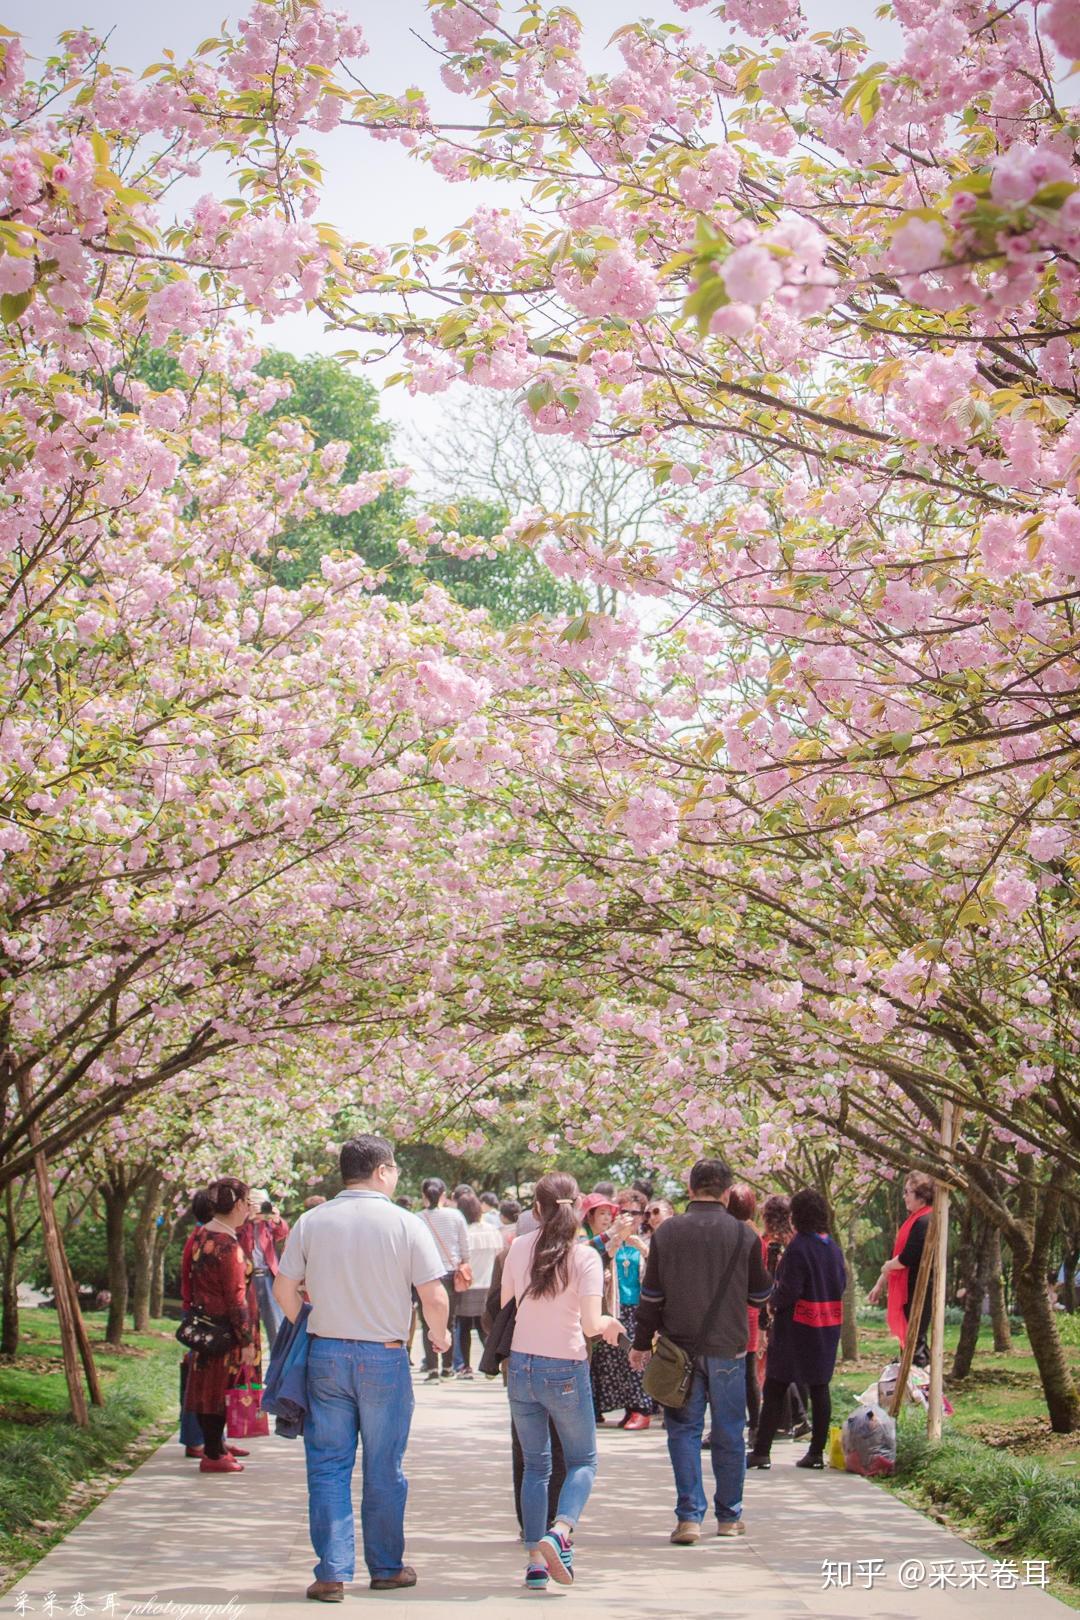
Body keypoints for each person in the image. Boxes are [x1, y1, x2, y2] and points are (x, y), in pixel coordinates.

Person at [274, 1134, 451, 1599]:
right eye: (394, 1170)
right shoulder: (405, 1223)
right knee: (384, 1466)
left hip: (325, 1355)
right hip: (385, 1357)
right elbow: (433, 1294)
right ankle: (386, 1567)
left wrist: (310, 1322)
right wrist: (439, 1335)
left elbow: (283, 1290)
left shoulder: (310, 1221)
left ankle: (331, 1573)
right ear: (382, 1171)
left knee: (328, 1465)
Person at [630, 1157, 772, 1545]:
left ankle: (689, 1518)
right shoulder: (745, 1236)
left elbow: (651, 1296)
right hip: (728, 1348)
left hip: (679, 1350)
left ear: (691, 1189)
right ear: (727, 1192)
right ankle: (729, 1517)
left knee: (684, 1431)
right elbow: (760, 1294)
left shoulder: (667, 1233)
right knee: (729, 1430)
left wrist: (641, 1343)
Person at [502, 1172, 623, 1590]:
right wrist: (610, 1323)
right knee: (583, 1460)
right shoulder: (585, 1256)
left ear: (537, 1208)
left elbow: (507, 1306)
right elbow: (591, 1325)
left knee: (535, 1466)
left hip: (521, 1366)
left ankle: (536, 1562)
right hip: (565, 1367)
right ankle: (562, 1530)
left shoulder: (518, 1247)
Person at [747, 1189, 847, 1471]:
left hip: (796, 1329)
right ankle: (816, 1452)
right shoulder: (832, 1247)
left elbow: (789, 1289)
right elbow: (842, 1284)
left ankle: (761, 1451)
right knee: (819, 1386)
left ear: (798, 1216)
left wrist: (772, 1304)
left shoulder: (800, 1247)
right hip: (827, 1325)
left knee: (776, 1385)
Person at [182, 1177, 259, 1475]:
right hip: (223, 1331)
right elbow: (236, 1297)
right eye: (247, 1201)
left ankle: (215, 1448)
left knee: (205, 1388)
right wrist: (246, 1340)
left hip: (203, 1326)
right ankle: (213, 1453)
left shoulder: (203, 1235)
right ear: (238, 1204)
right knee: (219, 1391)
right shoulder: (228, 1245)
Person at [595, 1190, 657, 1430]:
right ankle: (627, 1407)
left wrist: (643, 1249)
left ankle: (641, 1409)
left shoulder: (648, 1241)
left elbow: (661, 1269)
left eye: (635, 1213)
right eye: (624, 1212)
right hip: (615, 1307)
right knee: (615, 1360)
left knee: (637, 1358)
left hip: (640, 1307)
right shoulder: (611, 1241)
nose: (630, 1217)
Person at [866, 1170, 934, 1368]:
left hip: (917, 1290)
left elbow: (906, 1258)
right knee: (911, 1342)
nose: (904, 1197)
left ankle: (919, 1385)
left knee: (915, 1342)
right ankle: (913, 1382)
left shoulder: (925, 1221)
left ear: (921, 1195)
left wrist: (887, 1267)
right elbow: (897, 1256)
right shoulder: (915, 1220)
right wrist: (880, 1283)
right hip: (909, 1288)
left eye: (907, 1192)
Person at [417, 1177, 471, 1381]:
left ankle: (432, 1368)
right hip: (450, 1272)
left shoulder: (417, 1218)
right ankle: (448, 1366)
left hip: (423, 1275)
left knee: (427, 1320)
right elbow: (465, 1245)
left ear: (424, 1195)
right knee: (450, 1321)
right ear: (444, 1195)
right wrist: (465, 1262)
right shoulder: (455, 1215)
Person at [726, 1184, 762, 1445]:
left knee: (730, 1372)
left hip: (731, 1309)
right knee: (748, 1371)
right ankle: (755, 1426)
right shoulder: (755, 1236)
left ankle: (730, 1426)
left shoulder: (729, 1233)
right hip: (749, 1308)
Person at [178, 1188, 213, 1459]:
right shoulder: (202, 1237)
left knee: (209, 1378)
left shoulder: (204, 1234)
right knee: (198, 1377)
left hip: (201, 1313)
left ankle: (212, 1438)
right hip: (201, 1317)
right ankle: (195, 1438)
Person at [453, 1190, 502, 1377]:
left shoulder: (464, 1233)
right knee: (485, 1326)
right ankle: (491, 1363)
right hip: (488, 1284)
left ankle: (465, 1367)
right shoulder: (492, 1230)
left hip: (468, 1285)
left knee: (464, 1326)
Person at [238, 1188, 289, 1352]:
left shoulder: (268, 1222)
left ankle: (278, 1367)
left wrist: (276, 1218)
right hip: (246, 1277)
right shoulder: (242, 1222)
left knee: (276, 1323)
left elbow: (283, 1233)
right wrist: (249, 1219)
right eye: (255, 1204)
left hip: (268, 1276)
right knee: (247, 1323)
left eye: (263, 1205)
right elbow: (236, 1237)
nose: (260, 1208)